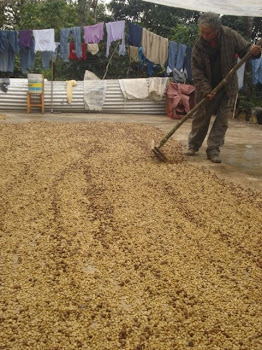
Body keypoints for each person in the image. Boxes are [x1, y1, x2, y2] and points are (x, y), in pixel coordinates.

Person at [186, 12, 261, 163]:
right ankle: (193, 145)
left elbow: (246, 50)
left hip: (227, 87)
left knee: (222, 121)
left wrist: (254, 52)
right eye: (202, 32)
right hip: (206, 87)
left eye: (207, 33)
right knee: (201, 117)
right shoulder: (199, 45)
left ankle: (213, 149)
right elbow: (197, 71)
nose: (204, 35)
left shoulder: (230, 36)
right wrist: (206, 89)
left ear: (217, 30)